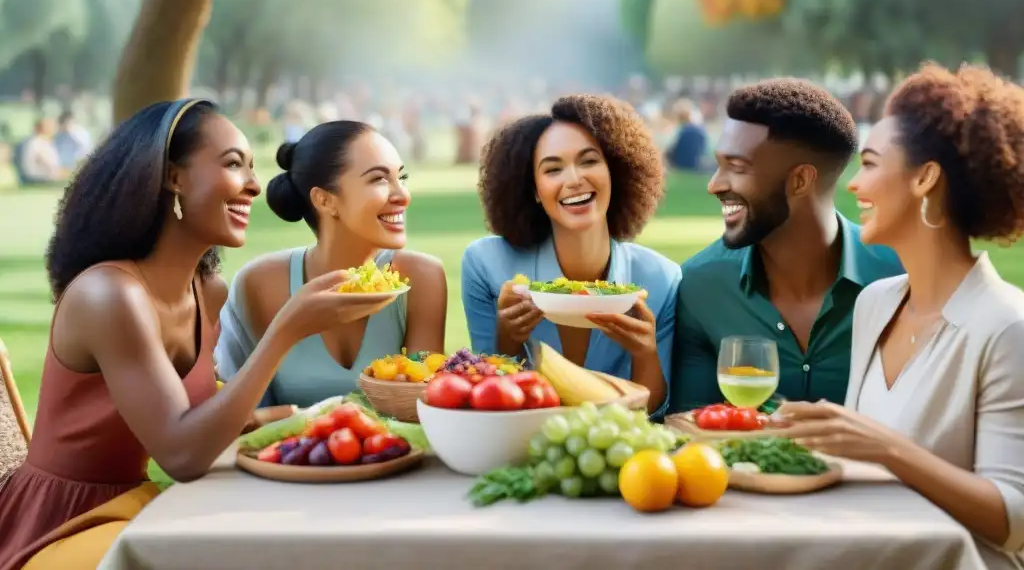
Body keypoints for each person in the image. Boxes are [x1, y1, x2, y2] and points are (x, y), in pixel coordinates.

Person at [0, 100, 391, 570]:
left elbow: (198, 422)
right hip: (62, 530)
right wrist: (287, 328)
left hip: (137, 508)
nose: (252, 185)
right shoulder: (108, 295)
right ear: (174, 177)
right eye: (232, 164)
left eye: (253, 168)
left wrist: (296, 416)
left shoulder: (208, 291)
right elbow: (181, 454)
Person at [774, 64, 1024, 569]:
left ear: (925, 178)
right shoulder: (875, 303)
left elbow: (1013, 520)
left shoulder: (1007, 326)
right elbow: (854, 464)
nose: (853, 185)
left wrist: (886, 447)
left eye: (869, 164)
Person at [669, 79, 903, 413]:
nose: (714, 185)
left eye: (737, 167)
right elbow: (692, 431)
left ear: (800, 180)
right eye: (719, 164)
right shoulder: (701, 286)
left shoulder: (899, 277)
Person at [461, 94, 680, 416]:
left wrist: (645, 353)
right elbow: (487, 398)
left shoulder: (661, 278)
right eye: (553, 169)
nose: (574, 179)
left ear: (615, 171)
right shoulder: (486, 265)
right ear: (534, 189)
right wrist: (507, 340)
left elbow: (653, 413)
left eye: (589, 161)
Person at [215, 121, 447, 408]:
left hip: (398, 452)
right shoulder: (259, 283)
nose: (402, 195)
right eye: (379, 180)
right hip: (284, 453)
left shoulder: (421, 277)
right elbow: (236, 413)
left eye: (402, 177)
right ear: (324, 200)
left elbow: (418, 406)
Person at [16, 118, 62, 186]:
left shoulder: (45, 141)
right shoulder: (32, 142)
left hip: (49, 177)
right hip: (37, 179)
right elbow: (27, 166)